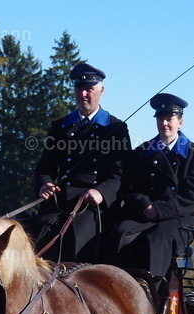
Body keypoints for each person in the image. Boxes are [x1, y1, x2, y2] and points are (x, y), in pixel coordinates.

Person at [32, 62, 131, 263]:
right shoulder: (60, 126)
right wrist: (45, 183)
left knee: (77, 240)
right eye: (79, 89)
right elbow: (45, 166)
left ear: (101, 91)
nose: (83, 94)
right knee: (37, 235)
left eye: (89, 89)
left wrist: (101, 192)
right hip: (61, 200)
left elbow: (121, 174)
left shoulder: (116, 128)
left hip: (93, 206)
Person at [109, 93, 194, 279]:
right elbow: (129, 188)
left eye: (169, 119)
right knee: (120, 232)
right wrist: (146, 206)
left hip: (178, 216)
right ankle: (119, 289)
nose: (164, 124)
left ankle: (155, 293)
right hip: (144, 212)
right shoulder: (142, 152)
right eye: (160, 119)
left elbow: (193, 196)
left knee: (158, 239)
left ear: (180, 122)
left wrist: (159, 210)